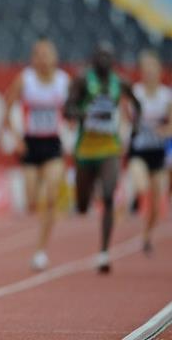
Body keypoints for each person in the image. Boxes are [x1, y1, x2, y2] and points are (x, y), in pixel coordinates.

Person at [64, 41, 141, 274]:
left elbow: (138, 105)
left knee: (108, 196)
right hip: (85, 150)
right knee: (82, 204)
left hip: (110, 148)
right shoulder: (82, 80)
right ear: (94, 59)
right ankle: (86, 197)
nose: (105, 60)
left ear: (113, 59)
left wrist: (135, 127)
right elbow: (67, 108)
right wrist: (82, 113)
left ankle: (104, 252)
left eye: (109, 56)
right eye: (101, 56)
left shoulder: (121, 82)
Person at [4, 38, 69, 271]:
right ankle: (35, 205)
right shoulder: (26, 79)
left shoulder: (63, 81)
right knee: (32, 201)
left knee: (51, 196)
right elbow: (8, 106)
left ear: (54, 57)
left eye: (47, 54)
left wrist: (71, 124)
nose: (42, 59)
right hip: (30, 144)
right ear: (33, 58)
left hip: (52, 143)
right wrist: (15, 137)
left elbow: (72, 110)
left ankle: (41, 250)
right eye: (38, 54)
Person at [127, 49, 172, 255]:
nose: (150, 73)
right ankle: (134, 201)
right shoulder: (135, 93)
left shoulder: (166, 96)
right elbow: (125, 117)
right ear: (142, 72)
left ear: (159, 71)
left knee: (155, 203)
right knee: (141, 183)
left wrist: (161, 130)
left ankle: (146, 236)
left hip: (157, 152)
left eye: (153, 69)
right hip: (138, 151)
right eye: (146, 69)